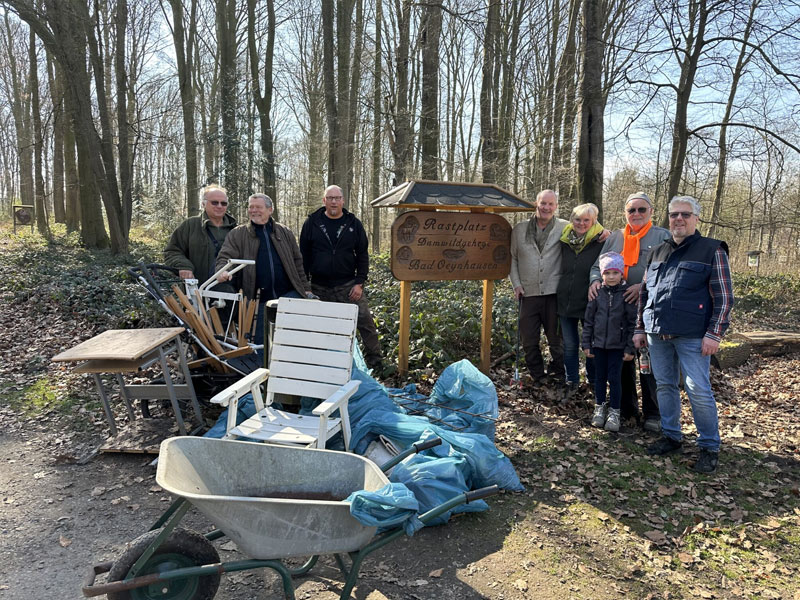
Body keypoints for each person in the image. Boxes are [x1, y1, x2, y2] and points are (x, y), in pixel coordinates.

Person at [633, 196, 734, 474]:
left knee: (697, 389)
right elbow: (644, 293)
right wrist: (640, 327)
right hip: (656, 332)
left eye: (685, 215)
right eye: (674, 214)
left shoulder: (711, 250)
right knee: (664, 385)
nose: (679, 219)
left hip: (693, 335)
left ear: (696, 219)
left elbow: (724, 297)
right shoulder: (656, 252)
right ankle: (671, 436)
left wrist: (714, 334)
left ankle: (709, 447)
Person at [588, 192, 671, 430]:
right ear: (625, 213)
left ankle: (653, 413)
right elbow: (597, 266)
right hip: (616, 313)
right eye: (631, 210)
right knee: (621, 361)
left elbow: (669, 270)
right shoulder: (615, 238)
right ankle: (625, 408)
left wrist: (643, 287)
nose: (636, 214)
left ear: (651, 212)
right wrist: (595, 281)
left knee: (648, 363)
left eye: (641, 210)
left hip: (649, 311)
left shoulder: (662, 236)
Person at [299, 184, 383, 371]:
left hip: (348, 286)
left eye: (337, 198)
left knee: (365, 322)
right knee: (320, 327)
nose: (334, 202)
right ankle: (320, 364)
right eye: (330, 198)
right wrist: (306, 286)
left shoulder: (353, 224)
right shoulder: (312, 223)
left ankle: (376, 362)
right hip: (319, 287)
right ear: (324, 201)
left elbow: (362, 254)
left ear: (343, 201)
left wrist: (359, 283)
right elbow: (302, 256)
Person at [216, 193, 314, 349]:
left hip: (289, 296)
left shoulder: (284, 232)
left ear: (270, 210)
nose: (254, 210)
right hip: (258, 301)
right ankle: (265, 373)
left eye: (258, 207)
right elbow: (225, 257)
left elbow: (297, 263)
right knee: (262, 346)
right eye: (251, 207)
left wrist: (306, 288)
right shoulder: (238, 234)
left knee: (295, 341)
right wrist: (222, 271)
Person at [510, 189, 567, 387]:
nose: (546, 207)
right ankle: (537, 375)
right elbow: (513, 259)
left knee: (556, 338)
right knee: (529, 338)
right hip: (528, 292)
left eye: (551, 204)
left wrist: (604, 233)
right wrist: (516, 284)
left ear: (556, 207)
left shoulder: (565, 227)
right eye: (543, 203)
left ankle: (557, 372)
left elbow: (588, 230)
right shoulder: (520, 229)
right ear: (536, 204)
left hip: (554, 293)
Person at [582, 252, 637, 432]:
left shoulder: (626, 294)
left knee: (615, 379)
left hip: (617, 346)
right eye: (607, 273)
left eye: (615, 273)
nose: (611, 277)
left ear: (621, 273)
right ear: (602, 274)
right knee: (599, 378)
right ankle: (599, 407)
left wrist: (630, 347)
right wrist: (587, 344)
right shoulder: (597, 293)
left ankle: (614, 411)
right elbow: (589, 321)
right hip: (598, 345)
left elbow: (631, 323)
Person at [556, 203, 605, 395]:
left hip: (591, 302)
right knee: (569, 345)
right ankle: (572, 382)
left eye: (586, 220)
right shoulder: (564, 239)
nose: (581, 223)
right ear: (571, 220)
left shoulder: (601, 240)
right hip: (565, 300)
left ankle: (593, 382)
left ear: (593, 222)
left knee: (591, 345)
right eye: (577, 219)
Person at [164, 184, 237, 281]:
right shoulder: (190, 225)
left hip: (229, 291)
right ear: (203, 204)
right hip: (196, 290)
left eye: (223, 203)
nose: (219, 206)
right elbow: (172, 251)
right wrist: (184, 266)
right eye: (214, 203)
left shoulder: (236, 230)